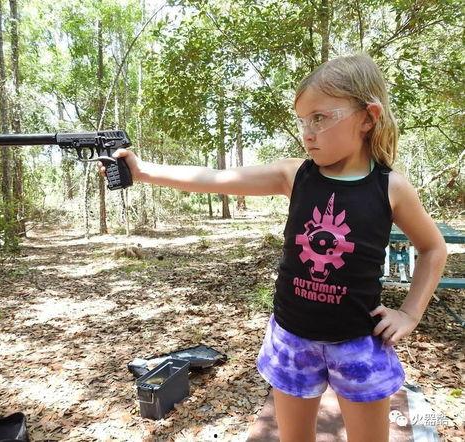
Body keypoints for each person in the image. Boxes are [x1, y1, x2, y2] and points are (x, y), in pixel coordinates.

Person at [98, 53, 447, 442]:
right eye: (303, 121)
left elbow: (433, 249)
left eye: (320, 118)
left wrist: (409, 313)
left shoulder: (391, 188)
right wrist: (144, 171)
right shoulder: (294, 175)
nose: (308, 132)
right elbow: (215, 178)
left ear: (368, 117)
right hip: (292, 341)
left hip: (359, 344)